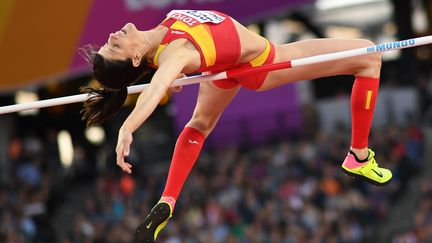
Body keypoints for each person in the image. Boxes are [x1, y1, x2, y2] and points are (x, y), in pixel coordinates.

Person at [80, 9, 392, 242]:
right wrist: (127, 127)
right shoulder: (175, 54)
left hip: (226, 68)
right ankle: (359, 155)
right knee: (367, 56)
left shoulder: (161, 44)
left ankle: (168, 200)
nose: (111, 38)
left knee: (200, 124)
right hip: (263, 63)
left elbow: (163, 73)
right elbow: (156, 87)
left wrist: (176, 75)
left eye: (109, 44)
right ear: (135, 57)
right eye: (115, 48)